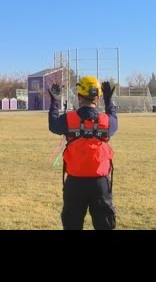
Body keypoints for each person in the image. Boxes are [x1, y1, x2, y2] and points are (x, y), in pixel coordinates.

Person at [48, 76, 119, 230]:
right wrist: (109, 101)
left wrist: (55, 101)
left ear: (79, 97)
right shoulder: (106, 121)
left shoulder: (68, 119)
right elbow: (114, 120)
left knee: (72, 225)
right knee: (104, 225)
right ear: (98, 98)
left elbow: (53, 125)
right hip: (100, 183)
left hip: (75, 184)